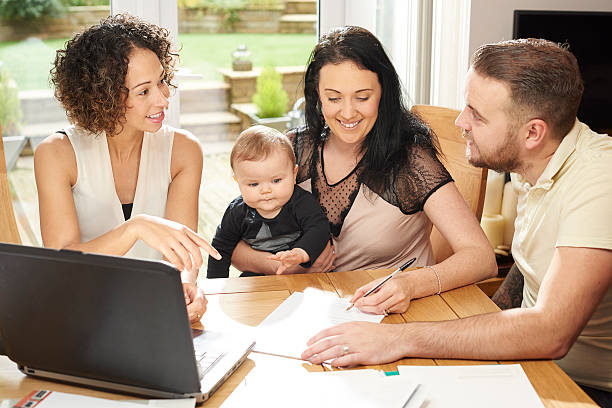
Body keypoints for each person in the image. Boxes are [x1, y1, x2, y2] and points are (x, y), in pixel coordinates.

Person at [301, 38, 612, 406]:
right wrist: (482, 316)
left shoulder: (600, 182)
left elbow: (551, 333)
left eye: (476, 115)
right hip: (523, 363)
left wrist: (400, 338)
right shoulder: (533, 165)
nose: (460, 122)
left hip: (580, 388)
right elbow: (531, 269)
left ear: (533, 133)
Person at [231, 26, 496, 315]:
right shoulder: (293, 151)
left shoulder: (410, 162)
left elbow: (481, 258)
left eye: (362, 97)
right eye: (333, 98)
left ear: (383, 93)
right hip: (306, 312)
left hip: (390, 318)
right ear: (317, 95)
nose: (347, 113)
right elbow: (233, 244)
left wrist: (411, 284)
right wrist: (283, 267)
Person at [35, 13, 221, 323]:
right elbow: (63, 264)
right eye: (144, 91)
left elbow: (182, 258)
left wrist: (186, 290)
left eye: (162, 81)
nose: (163, 100)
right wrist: (135, 228)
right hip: (80, 316)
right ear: (103, 97)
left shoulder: (184, 152)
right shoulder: (57, 154)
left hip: (151, 314)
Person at [207, 125, 330, 278]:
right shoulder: (237, 211)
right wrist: (215, 286)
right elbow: (221, 247)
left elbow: (319, 228)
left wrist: (301, 253)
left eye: (276, 180)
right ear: (237, 181)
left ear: (294, 174)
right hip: (257, 274)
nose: (266, 190)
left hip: (302, 275)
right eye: (253, 184)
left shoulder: (301, 202)